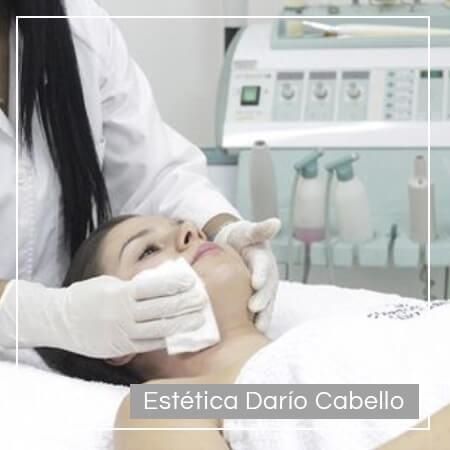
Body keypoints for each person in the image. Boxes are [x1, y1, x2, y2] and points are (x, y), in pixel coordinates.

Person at [0, 0, 279, 360]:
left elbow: (153, 175)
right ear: (119, 355)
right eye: (147, 251)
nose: (191, 232)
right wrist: (52, 315)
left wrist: (225, 228)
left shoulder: (78, 28)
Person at [35, 213, 450, 450]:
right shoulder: (173, 404)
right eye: (148, 250)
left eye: (186, 227)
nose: (191, 231)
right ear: (111, 337)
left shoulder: (346, 329)